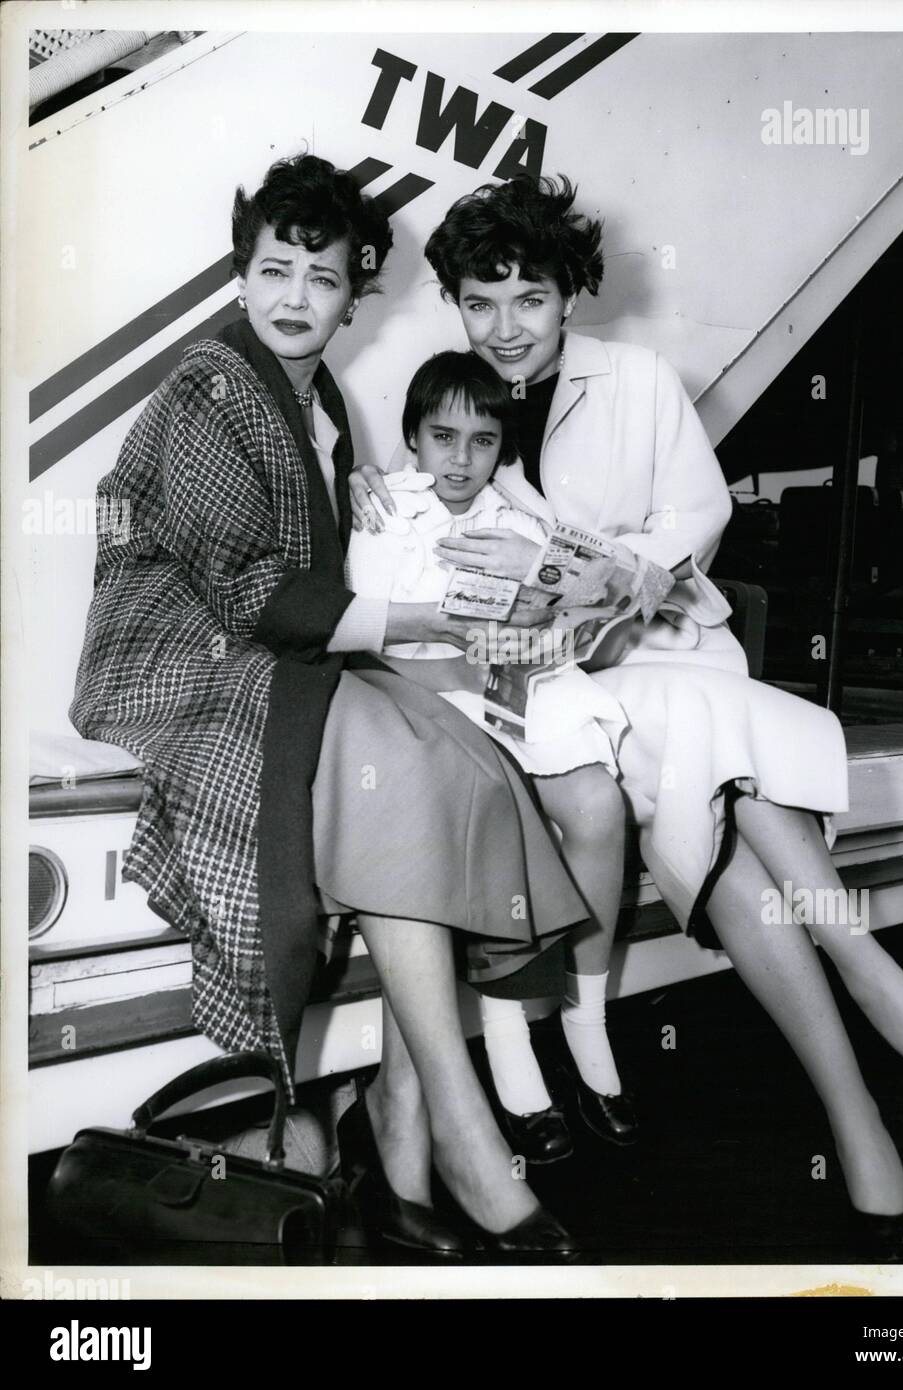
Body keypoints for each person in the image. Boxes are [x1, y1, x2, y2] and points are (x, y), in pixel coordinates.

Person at [351, 174, 903, 1255]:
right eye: (481, 301)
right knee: (723, 771)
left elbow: (693, 516)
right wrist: (383, 497)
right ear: (457, 307)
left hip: (663, 650)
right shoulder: (451, 407)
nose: (506, 325)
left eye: (529, 297)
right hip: (569, 693)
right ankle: (867, 1029)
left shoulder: (639, 380)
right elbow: (411, 508)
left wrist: (614, 576)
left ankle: (858, 1095)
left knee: (710, 745)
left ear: (570, 293)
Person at [69, 155, 595, 1259]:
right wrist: (425, 621)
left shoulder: (316, 397)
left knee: (462, 756)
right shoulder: (212, 382)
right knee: (407, 766)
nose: (295, 296)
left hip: (273, 650)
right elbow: (256, 592)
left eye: (320, 275)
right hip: (182, 661)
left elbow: (312, 569)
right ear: (242, 274)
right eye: (274, 270)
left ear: (354, 290)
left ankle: (402, 1142)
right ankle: (452, 1133)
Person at [347, 350, 635, 1155]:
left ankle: (588, 1021)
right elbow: (375, 640)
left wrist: (550, 625)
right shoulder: (385, 512)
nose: (460, 459)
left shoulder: (517, 515)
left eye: (481, 441)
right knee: (497, 794)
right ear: (413, 438)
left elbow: (603, 598)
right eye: (442, 437)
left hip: (519, 690)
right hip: (429, 696)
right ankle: (510, 1047)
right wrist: (473, 665)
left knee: (596, 803)